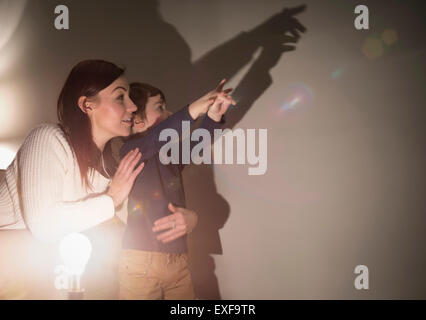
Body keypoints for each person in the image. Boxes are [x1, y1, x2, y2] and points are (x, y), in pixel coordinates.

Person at [117, 80, 234, 299]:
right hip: (140, 264)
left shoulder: (168, 155)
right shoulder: (132, 151)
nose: (169, 112)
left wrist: (214, 115)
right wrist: (193, 109)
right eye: (160, 107)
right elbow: (159, 135)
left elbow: (197, 144)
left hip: (178, 261)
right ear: (138, 120)